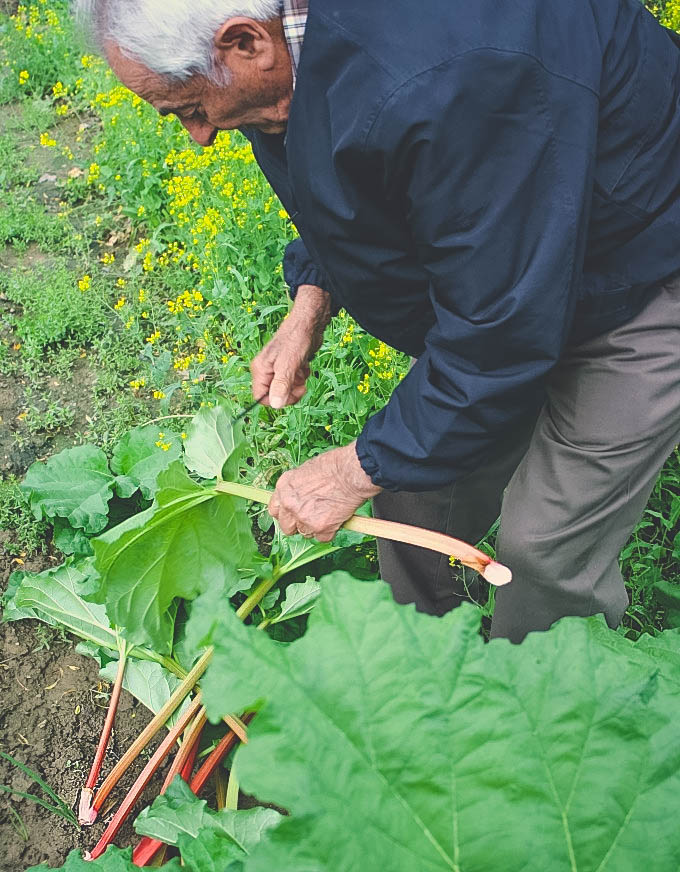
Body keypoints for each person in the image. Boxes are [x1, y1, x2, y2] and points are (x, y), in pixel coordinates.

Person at [75, 0, 680, 642]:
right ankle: (418, 671)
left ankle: (537, 723)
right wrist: (309, 303)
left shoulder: (453, 76)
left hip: (645, 262)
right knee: (410, 494)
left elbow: (497, 334)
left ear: (246, 41)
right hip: (514, 270)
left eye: (191, 108)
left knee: (544, 550)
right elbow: (356, 185)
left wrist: (350, 470)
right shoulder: (285, 57)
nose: (199, 135)